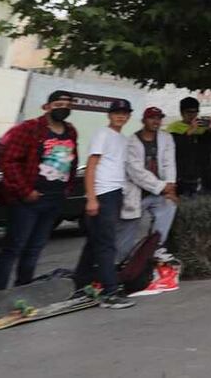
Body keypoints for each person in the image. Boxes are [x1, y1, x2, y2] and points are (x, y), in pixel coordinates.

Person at [0, 90, 79, 291]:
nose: (63, 108)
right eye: (58, 104)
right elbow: (8, 160)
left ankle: (23, 290)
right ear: (47, 107)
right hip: (27, 201)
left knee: (35, 248)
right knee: (14, 248)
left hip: (54, 199)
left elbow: (72, 161)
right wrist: (25, 190)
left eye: (67, 105)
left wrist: (67, 188)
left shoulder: (70, 131)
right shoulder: (29, 128)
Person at [73, 100, 136, 309]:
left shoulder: (123, 139)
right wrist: (91, 197)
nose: (121, 116)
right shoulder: (103, 134)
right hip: (102, 193)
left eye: (125, 113)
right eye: (117, 113)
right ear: (109, 115)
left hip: (115, 192)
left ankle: (79, 284)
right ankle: (110, 292)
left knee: (94, 242)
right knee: (107, 244)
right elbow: (91, 167)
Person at [117, 107, 179, 261]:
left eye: (158, 118)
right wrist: (162, 187)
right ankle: (120, 262)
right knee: (127, 233)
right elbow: (136, 172)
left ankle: (155, 249)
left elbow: (169, 164)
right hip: (137, 193)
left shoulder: (166, 138)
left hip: (160, 193)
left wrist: (170, 187)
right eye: (152, 118)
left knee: (169, 207)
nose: (156, 121)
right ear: (144, 120)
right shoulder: (131, 141)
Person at [166, 97, 211, 196]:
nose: (192, 115)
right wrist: (190, 131)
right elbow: (176, 147)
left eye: (195, 112)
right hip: (182, 174)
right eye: (189, 112)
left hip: (202, 173)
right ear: (182, 112)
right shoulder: (173, 127)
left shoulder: (202, 127)